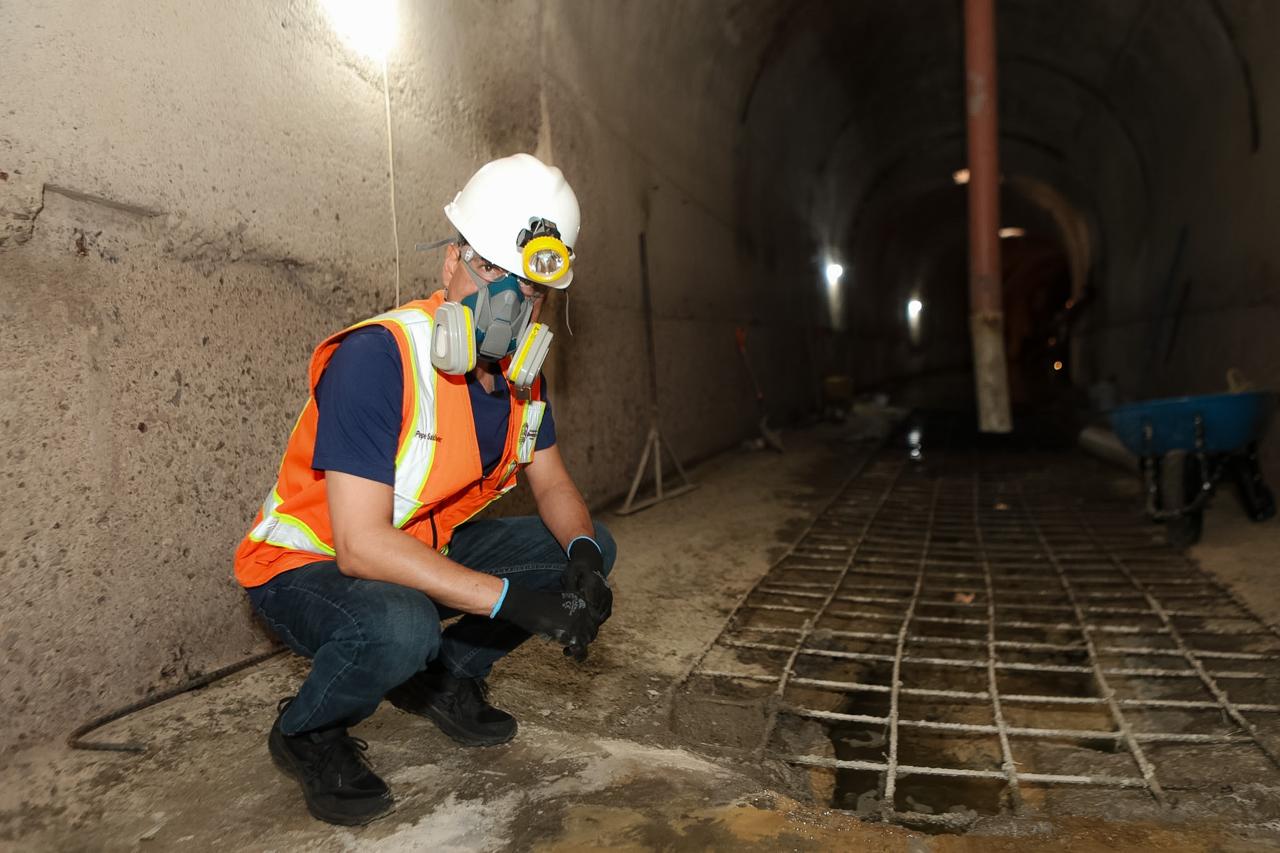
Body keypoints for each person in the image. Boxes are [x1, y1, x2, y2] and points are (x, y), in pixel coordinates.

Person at [232, 154, 615, 826]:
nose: (507, 302)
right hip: (307, 565)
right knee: (399, 623)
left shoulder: (521, 379)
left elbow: (552, 481)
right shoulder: (377, 358)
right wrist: (515, 603)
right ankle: (307, 731)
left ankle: (446, 677)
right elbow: (359, 545)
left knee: (588, 546)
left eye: (528, 287)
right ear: (451, 263)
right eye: (489, 269)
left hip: (415, 546)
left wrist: (581, 557)